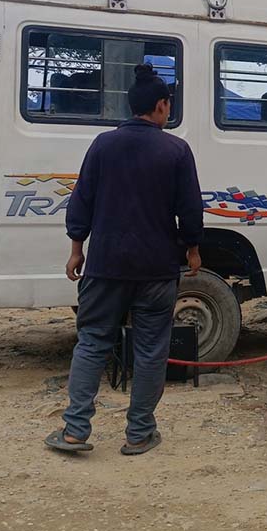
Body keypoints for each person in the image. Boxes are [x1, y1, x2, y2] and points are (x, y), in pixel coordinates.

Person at [45, 63, 204, 456]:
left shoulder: (103, 144)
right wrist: (193, 249)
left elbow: (82, 199)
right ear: (163, 106)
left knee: (93, 342)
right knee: (150, 349)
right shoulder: (177, 150)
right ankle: (139, 434)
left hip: (105, 264)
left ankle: (75, 431)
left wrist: (76, 248)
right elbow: (191, 210)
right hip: (157, 268)